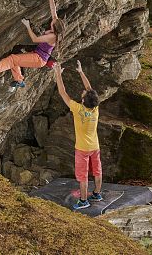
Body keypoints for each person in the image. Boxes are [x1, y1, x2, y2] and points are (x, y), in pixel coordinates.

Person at [0, 0, 64, 92]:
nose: (53, 19)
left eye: (54, 21)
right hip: (37, 55)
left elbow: (35, 39)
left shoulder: (52, 36)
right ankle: (19, 81)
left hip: (39, 59)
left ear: (55, 28)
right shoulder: (55, 27)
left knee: (13, 59)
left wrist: (28, 26)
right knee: (15, 59)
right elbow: (53, 9)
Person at [53, 60, 102, 210]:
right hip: (95, 146)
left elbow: (63, 93)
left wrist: (58, 75)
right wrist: (80, 71)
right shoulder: (95, 108)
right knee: (97, 171)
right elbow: (90, 89)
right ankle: (97, 194)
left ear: (83, 100)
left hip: (82, 148)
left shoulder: (77, 108)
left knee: (83, 176)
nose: (84, 90)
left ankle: (83, 200)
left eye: (84, 93)